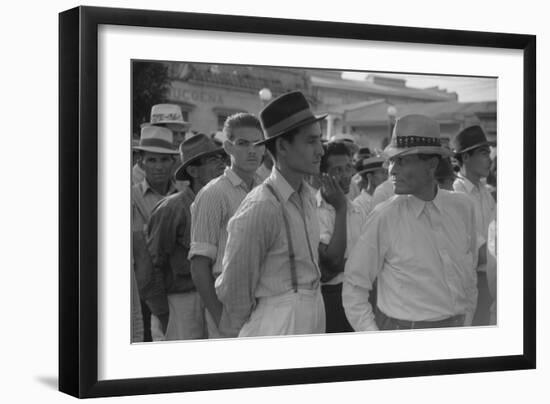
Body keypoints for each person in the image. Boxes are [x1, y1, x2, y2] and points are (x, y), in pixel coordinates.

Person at [343, 114, 479, 331]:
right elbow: (354, 286)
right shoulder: (384, 216)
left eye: (403, 161)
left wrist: (467, 320)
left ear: (432, 164)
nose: (392, 170)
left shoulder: (462, 207)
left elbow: (469, 273)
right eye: (392, 161)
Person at [215, 91, 326, 337]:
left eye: (320, 140)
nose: (320, 150)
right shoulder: (262, 206)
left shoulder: (307, 196)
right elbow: (235, 290)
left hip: (312, 315)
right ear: (283, 146)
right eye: (311, 141)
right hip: (276, 325)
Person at [143, 134, 226, 341]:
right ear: (193, 170)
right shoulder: (172, 209)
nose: (221, 165)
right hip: (181, 304)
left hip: (217, 299)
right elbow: (151, 266)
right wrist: (164, 315)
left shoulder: (223, 202)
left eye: (221, 159)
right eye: (212, 160)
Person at [189, 113, 265, 338]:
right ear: (228, 147)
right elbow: (199, 265)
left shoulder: (266, 190)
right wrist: (220, 316)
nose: (252, 150)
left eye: (258, 143)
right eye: (243, 143)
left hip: (264, 301)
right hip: (227, 303)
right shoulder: (214, 194)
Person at [131, 125, 180, 341]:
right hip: (143, 292)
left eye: (164, 160)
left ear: (174, 162)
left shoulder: (185, 196)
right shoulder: (129, 197)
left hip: (181, 290)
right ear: (141, 162)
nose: (158, 166)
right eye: (152, 160)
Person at [317, 142, 368, 332]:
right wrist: (340, 209)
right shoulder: (313, 211)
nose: (346, 175)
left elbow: (369, 261)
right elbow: (329, 266)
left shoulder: (358, 211)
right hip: (330, 299)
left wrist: (344, 264)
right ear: (322, 175)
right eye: (337, 170)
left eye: (348, 168)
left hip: (358, 296)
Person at [452, 125, 496, 326]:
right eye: (483, 153)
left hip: (490, 279)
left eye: (489, 153)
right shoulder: (456, 194)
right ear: (466, 157)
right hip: (468, 283)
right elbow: (477, 251)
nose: (490, 159)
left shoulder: (485, 193)